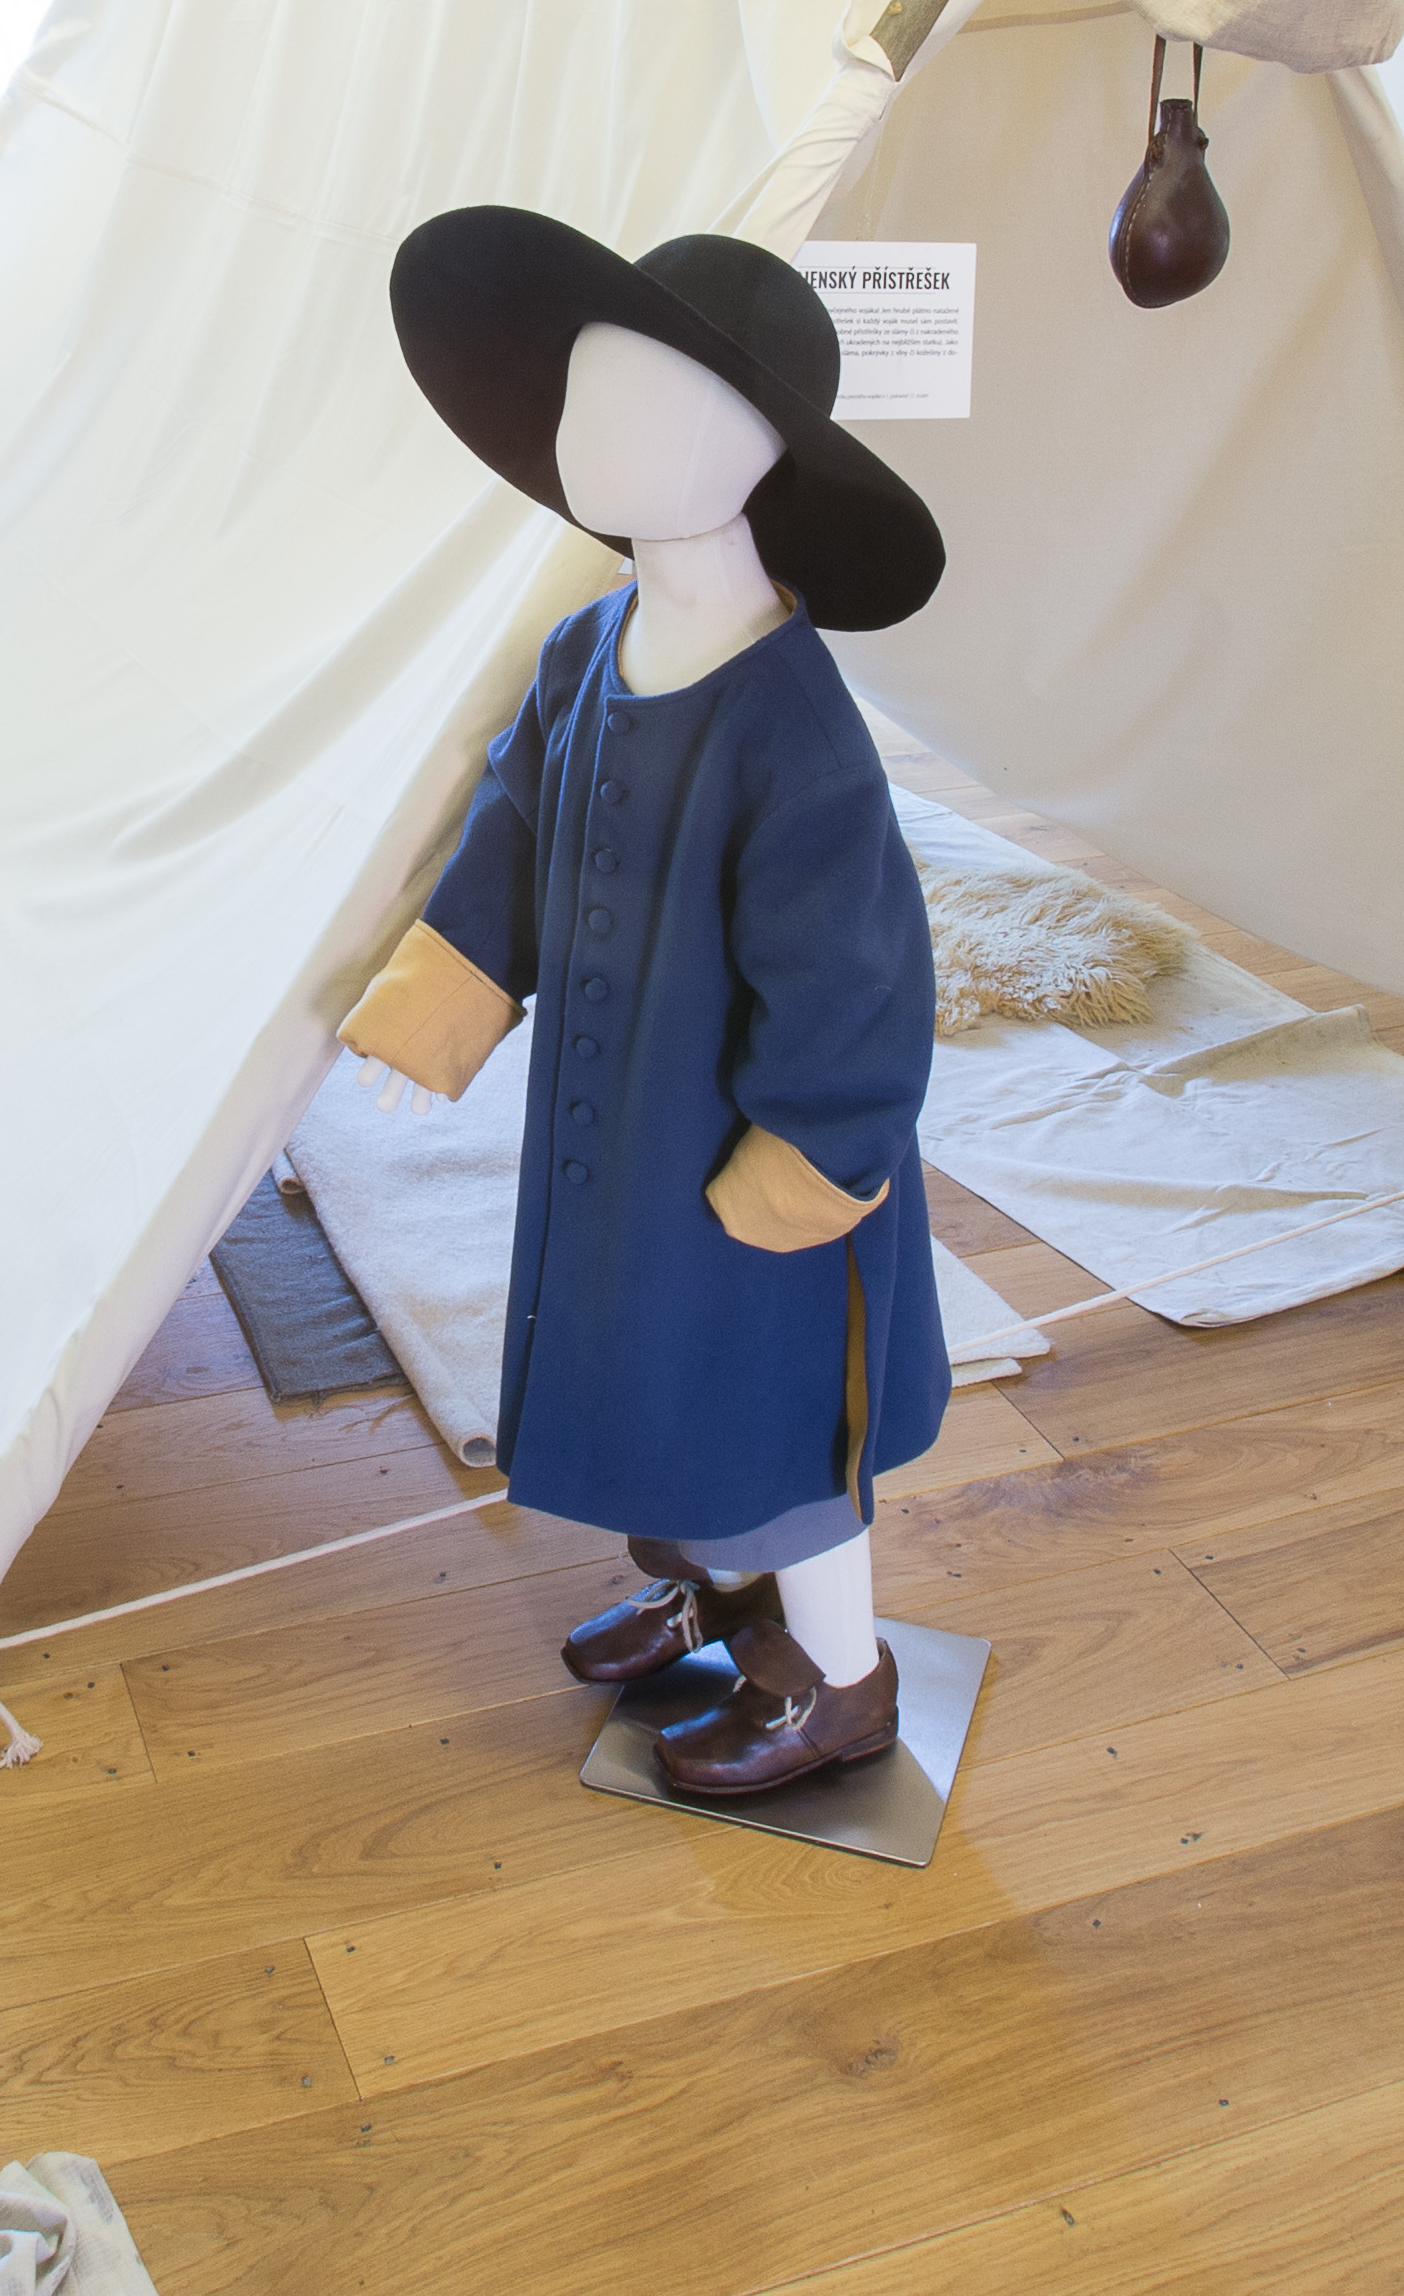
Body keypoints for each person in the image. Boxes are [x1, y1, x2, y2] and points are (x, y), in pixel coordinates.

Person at [340, 210, 949, 1798]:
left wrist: (805, 1160)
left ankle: (843, 1682)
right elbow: (516, 826)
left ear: (755, 452)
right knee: (647, 1369)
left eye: (649, 401)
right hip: (616, 1128)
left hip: (755, 1155)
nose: (585, 430)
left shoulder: (797, 731)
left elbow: (861, 976)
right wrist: (444, 998)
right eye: (582, 391)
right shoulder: (584, 650)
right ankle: (708, 1592)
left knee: (768, 1410)